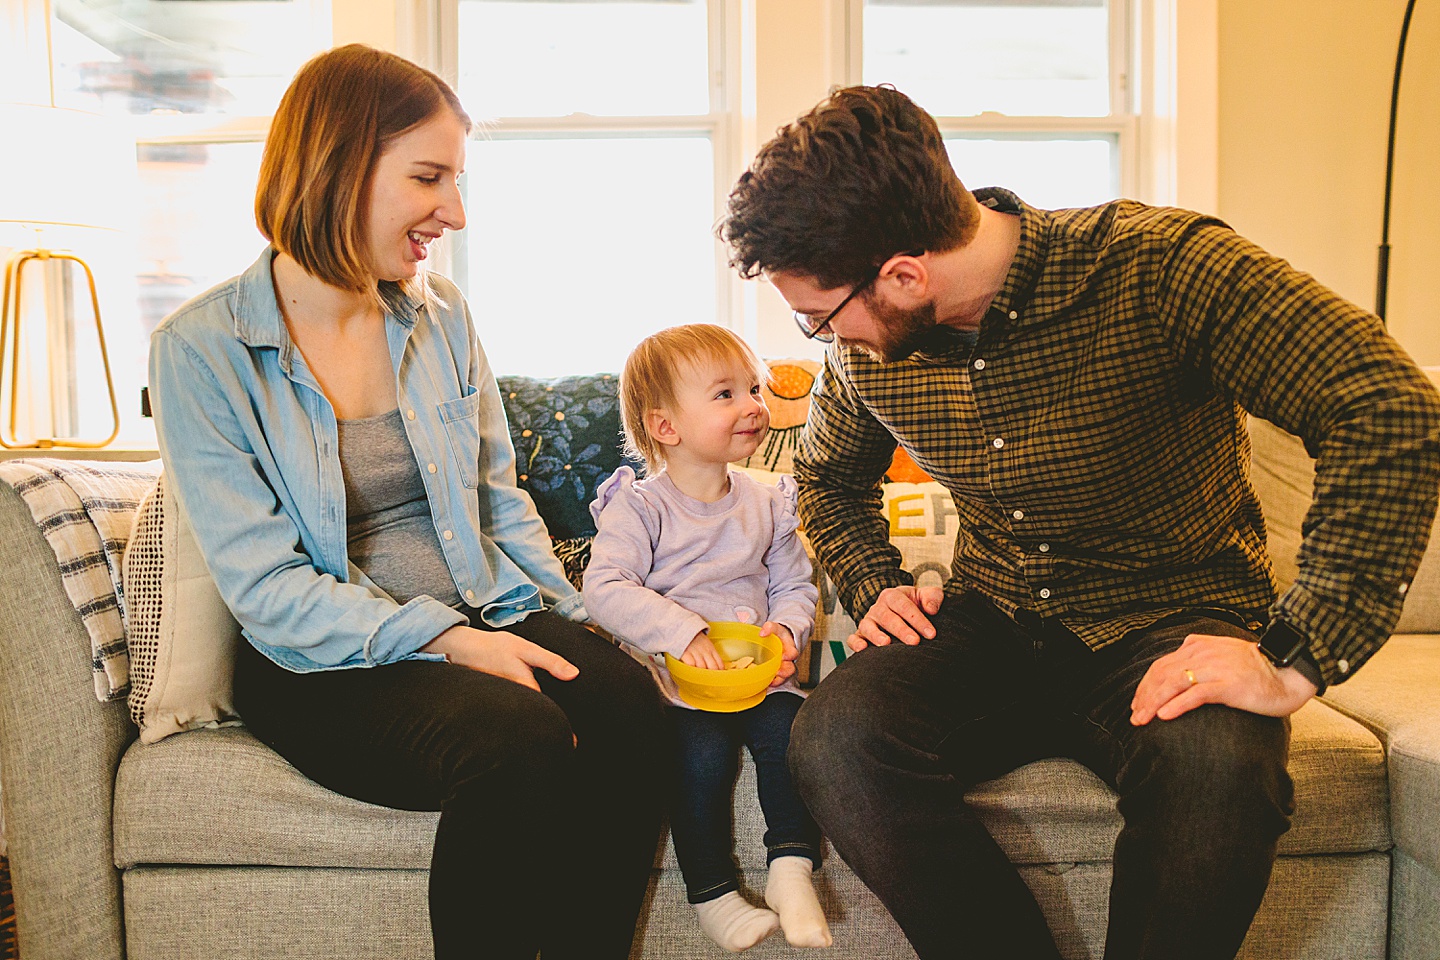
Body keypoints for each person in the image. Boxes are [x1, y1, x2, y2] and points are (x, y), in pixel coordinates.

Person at [717, 84, 1440, 960]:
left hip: (1171, 614)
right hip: (989, 621)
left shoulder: (1162, 266)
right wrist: (875, 583)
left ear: (905, 274)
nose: (823, 340)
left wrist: (1299, 653)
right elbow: (826, 481)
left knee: (1219, 766)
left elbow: (1386, 405)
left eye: (818, 317)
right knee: (831, 740)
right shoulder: (868, 357)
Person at [147, 44, 666, 960]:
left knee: (625, 703)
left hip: (482, 606)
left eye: (457, 180)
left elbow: (499, 504)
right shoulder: (203, 349)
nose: (454, 212)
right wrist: (451, 640)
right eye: (429, 177)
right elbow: (266, 587)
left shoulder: (441, 315)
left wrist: (583, 623)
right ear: (338, 164)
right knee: (516, 736)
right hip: (324, 662)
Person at [582, 324, 832, 953]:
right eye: (725, 394)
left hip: (759, 670)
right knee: (701, 759)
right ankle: (714, 893)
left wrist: (787, 629)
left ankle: (791, 868)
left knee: (793, 740)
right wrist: (680, 630)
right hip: (678, 685)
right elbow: (605, 589)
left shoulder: (768, 501)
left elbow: (795, 586)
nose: (754, 404)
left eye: (755, 387)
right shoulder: (638, 508)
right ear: (666, 426)